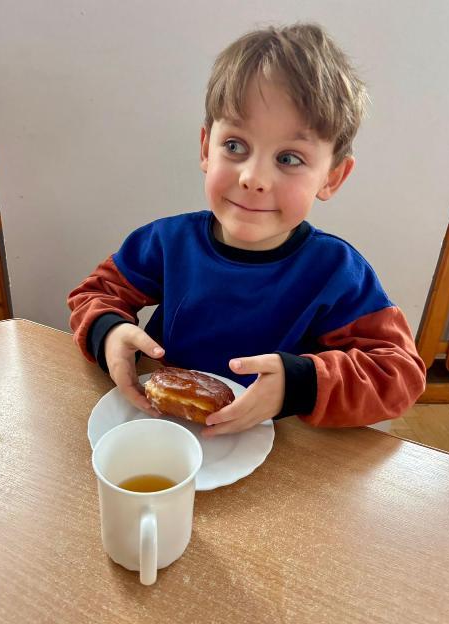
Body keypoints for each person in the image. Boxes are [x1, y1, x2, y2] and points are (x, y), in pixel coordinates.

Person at [68, 23, 426, 437]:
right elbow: (94, 294)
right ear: (207, 148)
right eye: (235, 146)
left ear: (332, 177)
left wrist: (300, 385)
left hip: (276, 446)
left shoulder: (336, 272)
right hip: (163, 428)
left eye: (289, 158)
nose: (253, 178)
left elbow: (400, 374)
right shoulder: (168, 242)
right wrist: (110, 333)